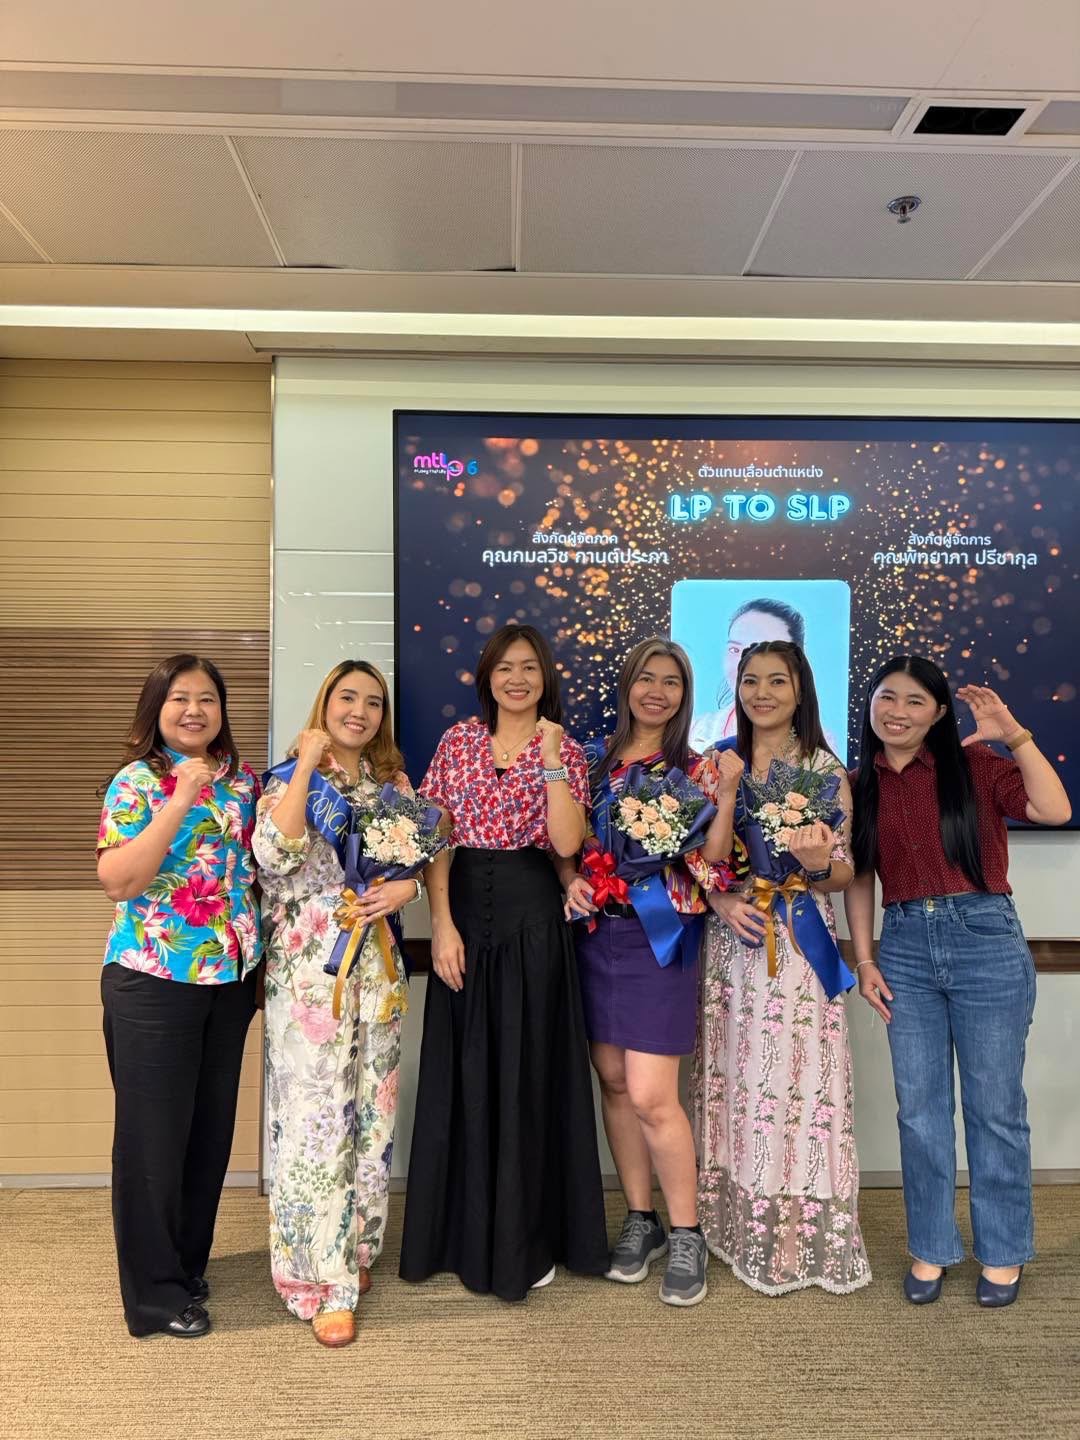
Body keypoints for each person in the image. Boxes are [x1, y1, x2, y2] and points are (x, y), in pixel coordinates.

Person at [846, 658, 1071, 1308]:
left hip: (985, 940)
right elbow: (859, 877)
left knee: (994, 1109)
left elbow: (1054, 810)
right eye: (887, 697)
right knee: (919, 1112)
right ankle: (931, 1246)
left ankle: (1002, 1250)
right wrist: (865, 960)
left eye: (915, 701)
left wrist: (1015, 735)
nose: (898, 712)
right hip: (904, 948)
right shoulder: (859, 785)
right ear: (871, 704)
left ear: (939, 713)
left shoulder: (974, 767)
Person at [399, 623, 609, 1300]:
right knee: (464, 1071)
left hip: (532, 919)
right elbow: (436, 837)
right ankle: (460, 1238)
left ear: (546, 677)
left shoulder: (564, 748)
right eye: (504, 667)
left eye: (529, 668)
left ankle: (528, 1238)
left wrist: (550, 760)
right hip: (463, 914)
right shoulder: (458, 741)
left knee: (528, 1071)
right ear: (487, 676)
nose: (516, 679)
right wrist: (442, 926)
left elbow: (566, 842)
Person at [559, 638, 742, 1307]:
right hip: (594, 938)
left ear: (685, 695)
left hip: (659, 941)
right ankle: (643, 1219)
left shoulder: (696, 769)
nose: (656, 692)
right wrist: (570, 880)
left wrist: (725, 795)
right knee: (611, 1081)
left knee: (652, 1096)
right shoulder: (591, 763)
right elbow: (564, 842)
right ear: (627, 686)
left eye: (671, 682)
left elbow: (713, 864)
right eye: (646, 679)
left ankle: (687, 1231)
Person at [691, 640, 871, 1296]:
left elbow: (847, 872)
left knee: (796, 1087)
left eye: (777, 681)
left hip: (799, 943)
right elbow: (702, 860)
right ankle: (730, 1221)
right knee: (737, 1078)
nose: (761, 693)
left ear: (800, 691)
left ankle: (794, 1235)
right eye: (750, 680)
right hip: (734, 939)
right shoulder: (717, 761)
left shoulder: (824, 766)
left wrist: (818, 865)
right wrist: (721, 893)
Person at [254, 660, 420, 1348]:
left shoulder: (391, 787)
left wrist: (407, 889)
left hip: (377, 965)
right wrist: (306, 763)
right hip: (310, 971)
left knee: (372, 1117)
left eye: (373, 702)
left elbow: (413, 866)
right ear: (325, 704)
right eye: (347, 697)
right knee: (315, 1123)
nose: (360, 711)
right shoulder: (286, 779)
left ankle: (353, 1246)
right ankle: (318, 1281)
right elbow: (274, 855)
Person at [96, 654, 261, 1339]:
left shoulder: (244, 782)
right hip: (153, 979)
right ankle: (154, 1297)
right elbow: (119, 880)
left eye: (207, 699)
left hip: (229, 980)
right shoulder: (137, 781)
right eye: (180, 699)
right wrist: (180, 796)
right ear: (157, 709)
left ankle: (186, 1266)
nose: (194, 710)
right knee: (152, 1142)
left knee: (207, 1133)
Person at [690, 598, 805, 750]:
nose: (743, 664)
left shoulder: (816, 748)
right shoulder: (695, 732)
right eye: (735, 650)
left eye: (765, 650)